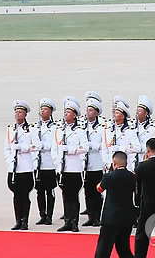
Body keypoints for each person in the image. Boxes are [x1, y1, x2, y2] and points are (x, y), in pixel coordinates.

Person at [3, 100, 41, 230]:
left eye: (20, 112)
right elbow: (6, 147)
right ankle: (18, 219)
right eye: (16, 112)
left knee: (24, 195)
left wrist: (23, 148)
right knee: (16, 195)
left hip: (26, 167)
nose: (17, 115)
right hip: (14, 168)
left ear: (25, 114)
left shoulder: (31, 129)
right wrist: (10, 160)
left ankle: (25, 220)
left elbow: (37, 145)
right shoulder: (10, 129)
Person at [52, 99, 89, 232]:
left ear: (74, 115)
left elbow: (85, 147)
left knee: (74, 196)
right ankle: (67, 220)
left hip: (75, 168)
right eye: (65, 112)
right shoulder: (60, 130)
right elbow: (54, 148)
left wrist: (70, 150)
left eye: (68, 112)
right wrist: (57, 162)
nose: (66, 114)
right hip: (63, 169)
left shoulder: (79, 130)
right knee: (65, 195)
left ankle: (74, 221)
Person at [94, 151, 135, 258]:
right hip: (127, 217)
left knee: (103, 249)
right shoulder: (132, 177)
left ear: (114, 162)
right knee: (123, 248)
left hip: (110, 218)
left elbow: (99, 188)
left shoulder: (109, 177)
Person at [82, 97, 106, 227]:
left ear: (97, 112)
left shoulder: (102, 127)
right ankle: (90, 216)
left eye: (91, 110)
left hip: (97, 163)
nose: (88, 113)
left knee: (97, 192)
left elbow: (103, 144)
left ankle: (97, 216)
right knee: (87, 192)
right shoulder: (81, 126)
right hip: (85, 164)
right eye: (87, 110)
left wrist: (89, 145)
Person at [34, 98, 57, 226]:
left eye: (45, 109)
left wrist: (41, 145)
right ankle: (42, 214)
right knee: (39, 191)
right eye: (41, 109)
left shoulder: (55, 127)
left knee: (50, 190)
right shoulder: (35, 127)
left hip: (49, 162)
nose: (42, 111)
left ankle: (49, 215)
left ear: (51, 112)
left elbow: (53, 144)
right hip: (38, 163)